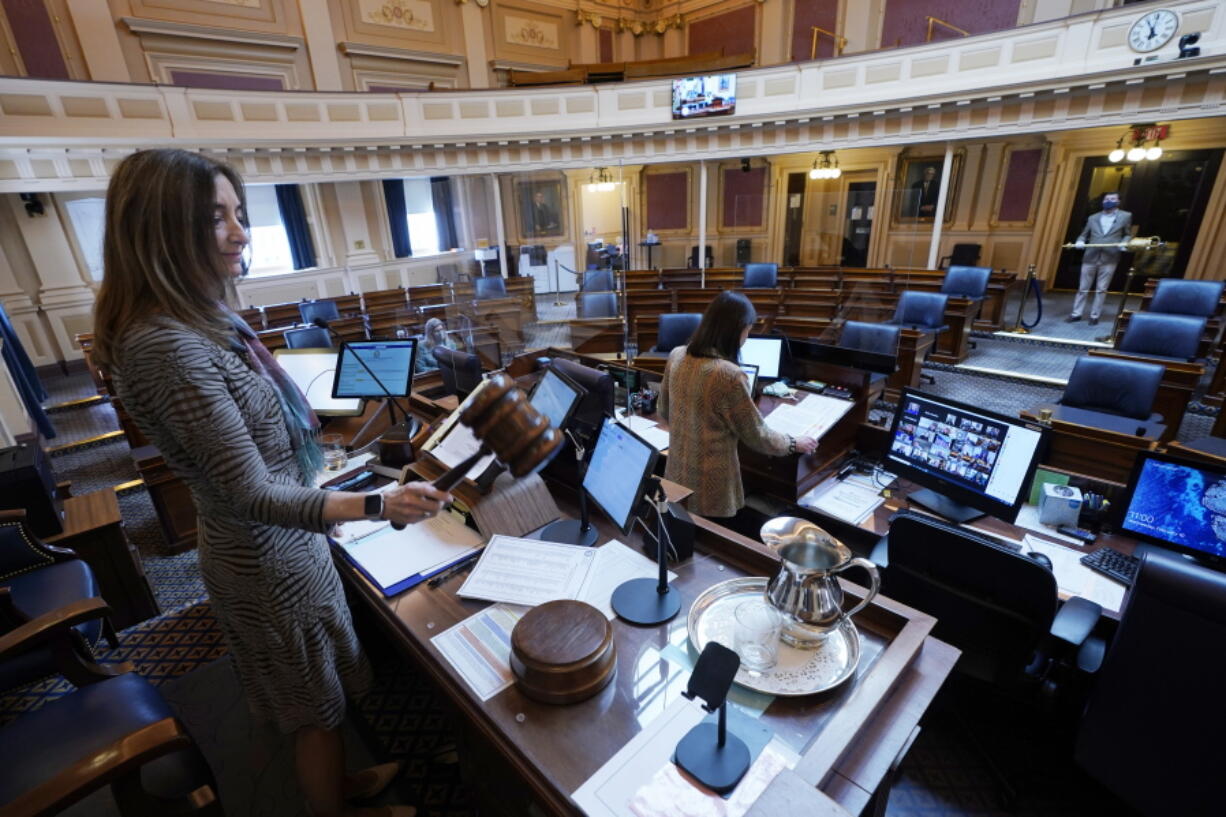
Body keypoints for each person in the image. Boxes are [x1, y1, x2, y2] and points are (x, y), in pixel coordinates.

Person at [91, 149, 447, 817]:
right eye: (213, 218)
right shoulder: (164, 344)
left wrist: (323, 486)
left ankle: (340, 783)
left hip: (289, 542)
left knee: (326, 694)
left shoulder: (201, 318)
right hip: (264, 558)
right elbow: (249, 490)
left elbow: (258, 453)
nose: (239, 231)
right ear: (162, 229)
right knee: (313, 706)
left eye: (238, 214)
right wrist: (377, 501)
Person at [658, 291, 818, 536]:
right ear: (739, 329)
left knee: (687, 541)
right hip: (710, 488)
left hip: (677, 476)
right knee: (714, 547)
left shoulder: (677, 355)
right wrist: (794, 443)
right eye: (748, 330)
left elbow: (664, 410)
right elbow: (758, 436)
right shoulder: (728, 375)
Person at [1069, 191, 1133, 325]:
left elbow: (1127, 234)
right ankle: (1076, 314)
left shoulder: (1125, 216)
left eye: (1112, 198)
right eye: (1106, 199)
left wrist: (1124, 242)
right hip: (1090, 256)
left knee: (1101, 289)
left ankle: (1094, 316)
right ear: (1103, 201)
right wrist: (1080, 241)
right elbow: (1084, 234)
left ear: (1118, 201)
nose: (1109, 201)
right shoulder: (1093, 217)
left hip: (1110, 257)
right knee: (1083, 287)